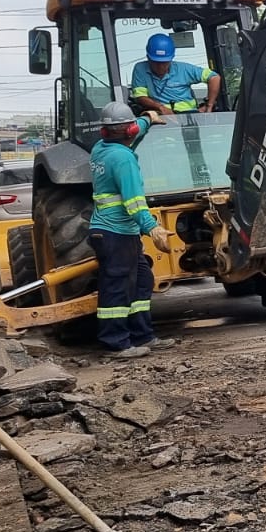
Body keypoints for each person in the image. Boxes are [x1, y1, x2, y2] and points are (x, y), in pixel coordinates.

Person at [90, 101, 175, 359]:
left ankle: (142, 335)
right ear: (128, 132)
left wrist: (147, 119)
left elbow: (132, 131)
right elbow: (134, 202)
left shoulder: (100, 148)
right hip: (116, 232)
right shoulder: (123, 159)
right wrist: (154, 229)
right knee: (117, 287)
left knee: (142, 280)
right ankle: (115, 342)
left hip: (112, 232)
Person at [129, 33, 220, 115]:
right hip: (160, 116)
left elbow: (214, 78)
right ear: (148, 57)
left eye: (164, 62)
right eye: (156, 62)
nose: (160, 67)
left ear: (171, 58)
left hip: (189, 115)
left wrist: (209, 105)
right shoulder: (140, 69)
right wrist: (161, 107)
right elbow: (140, 97)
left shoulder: (183, 69)